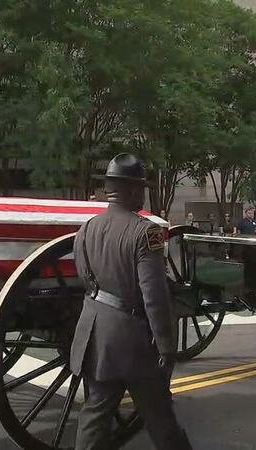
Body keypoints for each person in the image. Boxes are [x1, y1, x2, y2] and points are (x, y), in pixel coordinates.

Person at [71, 153, 191, 450]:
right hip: (132, 341)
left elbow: (85, 280)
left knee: (95, 416)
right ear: (134, 190)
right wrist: (166, 346)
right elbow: (154, 295)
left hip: (95, 333)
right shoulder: (145, 231)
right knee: (161, 418)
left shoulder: (87, 228)